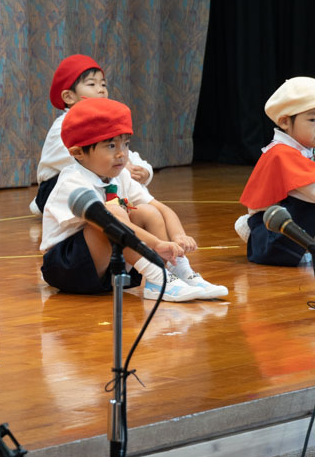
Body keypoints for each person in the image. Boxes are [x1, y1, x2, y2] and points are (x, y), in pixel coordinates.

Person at [40, 98, 227, 302]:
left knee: (147, 211)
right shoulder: (72, 181)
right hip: (68, 267)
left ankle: (179, 272)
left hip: (107, 267)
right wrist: (156, 244)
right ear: (78, 153)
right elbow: (107, 221)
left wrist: (177, 236)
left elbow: (161, 208)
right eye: (111, 145)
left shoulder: (120, 176)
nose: (122, 154)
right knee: (112, 213)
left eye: (126, 144)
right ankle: (157, 274)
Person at [29, 54, 153, 214]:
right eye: (92, 84)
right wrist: (123, 168)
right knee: (113, 173)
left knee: (119, 176)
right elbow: (82, 158)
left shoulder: (103, 121)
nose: (101, 89)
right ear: (69, 96)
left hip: (95, 177)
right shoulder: (63, 124)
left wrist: (144, 170)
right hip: (57, 186)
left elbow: (121, 149)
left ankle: (129, 207)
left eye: (103, 84)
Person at [236, 77, 315, 265]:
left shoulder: (303, 149)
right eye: (313, 119)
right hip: (275, 239)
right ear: (285, 122)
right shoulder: (282, 153)